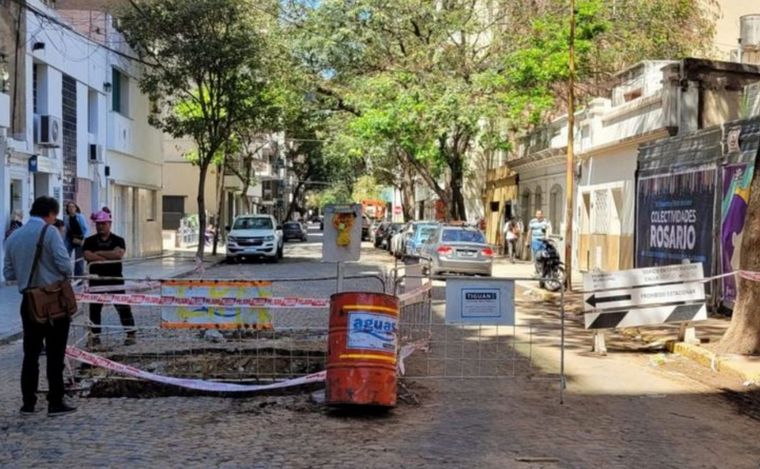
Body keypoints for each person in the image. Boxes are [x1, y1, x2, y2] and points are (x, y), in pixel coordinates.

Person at [3, 196, 76, 416]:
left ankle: (28, 403)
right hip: (53, 300)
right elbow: (65, 264)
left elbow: (8, 273)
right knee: (55, 353)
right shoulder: (50, 232)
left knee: (31, 354)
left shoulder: (14, 237)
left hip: (29, 301)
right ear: (51, 214)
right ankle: (55, 401)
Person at [83, 209, 136, 347]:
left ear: (109, 223)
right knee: (94, 309)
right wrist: (107, 255)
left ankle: (130, 333)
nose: (100, 226)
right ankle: (95, 336)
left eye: (103, 223)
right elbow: (87, 255)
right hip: (96, 280)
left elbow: (118, 254)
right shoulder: (89, 241)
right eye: (98, 224)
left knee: (122, 306)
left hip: (115, 279)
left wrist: (99, 253)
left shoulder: (118, 240)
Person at [63, 202, 88, 277]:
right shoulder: (66, 218)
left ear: (76, 208)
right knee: (65, 257)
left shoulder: (80, 217)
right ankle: (67, 276)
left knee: (79, 259)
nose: (71, 208)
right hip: (70, 239)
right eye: (69, 207)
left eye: (72, 207)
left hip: (80, 239)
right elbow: (66, 230)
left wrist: (84, 239)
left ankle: (78, 278)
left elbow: (85, 229)